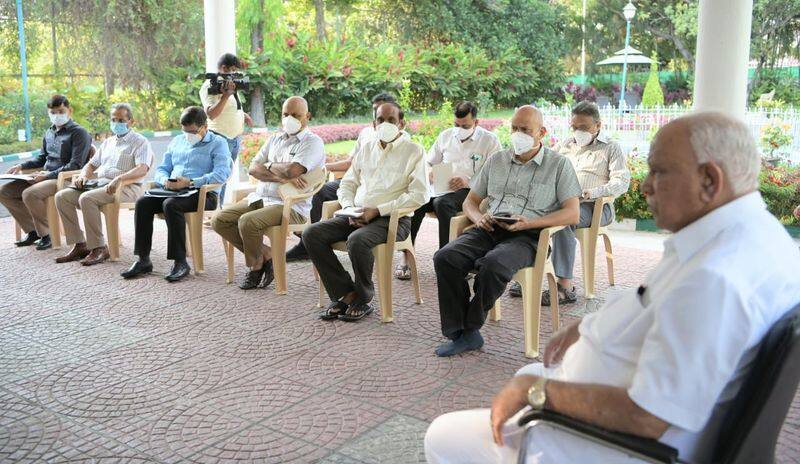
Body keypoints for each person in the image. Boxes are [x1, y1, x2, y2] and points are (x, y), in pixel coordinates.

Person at [424, 112, 800, 464]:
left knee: (443, 435)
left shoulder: (717, 278)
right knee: (451, 258)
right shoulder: (743, 238)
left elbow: (648, 417)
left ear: (709, 181)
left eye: (659, 172)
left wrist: (537, 392)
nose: (645, 186)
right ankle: (465, 331)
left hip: (596, 441)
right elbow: (658, 309)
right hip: (598, 399)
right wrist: (585, 329)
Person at [431, 106, 581, 357]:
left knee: (493, 264)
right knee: (445, 257)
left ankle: (469, 328)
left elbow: (572, 213)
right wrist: (479, 218)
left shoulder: (558, 165)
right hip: (490, 228)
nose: (517, 134)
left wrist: (530, 223)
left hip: (529, 236)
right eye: (514, 128)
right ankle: (459, 331)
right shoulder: (497, 160)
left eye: (525, 130)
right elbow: (470, 201)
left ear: (541, 132)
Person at [303, 102, 428, 321]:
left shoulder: (414, 151)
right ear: (374, 123)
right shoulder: (367, 147)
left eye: (391, 120)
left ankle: (363, 297)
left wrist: (378, 211)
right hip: (357, 214)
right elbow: (347, 184)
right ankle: (346, 292)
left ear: (402, 123)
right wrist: (350, 209)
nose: (385, 124)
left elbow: (419, 195)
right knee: (311, 234)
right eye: (381, 120)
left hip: (393, 220)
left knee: (358, 240)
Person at [509, 101, 630, 303]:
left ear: (598, 125)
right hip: (564, 202)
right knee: (530, 215)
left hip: (595, 207)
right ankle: (530, 276)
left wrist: (590, 193)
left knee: (563, 220)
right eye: (574, 127)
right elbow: (546, 165)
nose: (577, 132)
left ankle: (565, 287)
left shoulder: (611, 148)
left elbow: (621, 183)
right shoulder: (567, 145)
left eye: (583, 128)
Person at [211, 96, 325, 289]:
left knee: (247, 222)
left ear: (308, 116)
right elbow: (254, 169)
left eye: (296, 115)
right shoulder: (274, 139)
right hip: (261, 197)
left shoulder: (312, 142)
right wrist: (280, 176)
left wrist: (270, 164)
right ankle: (267, 254)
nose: (289, 119)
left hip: (291, 205)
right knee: (219, 220)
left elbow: (293, 171)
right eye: (286, 114)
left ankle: (256, 266)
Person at [121, 106, 231, 282]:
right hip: (173, 190)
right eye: (185, 131)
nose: (188, 135)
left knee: (170, 205)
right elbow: (162, 169)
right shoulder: (177, 141)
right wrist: (165, 179)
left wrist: (191, 182)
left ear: (205, 127)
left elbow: (221, 174)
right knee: (143, 202)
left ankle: (180, 262)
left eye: (193, 131)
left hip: (202, 194)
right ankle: (143, 260)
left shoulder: (218, 143)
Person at [395, 100, 501, 280]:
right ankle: (406, 254)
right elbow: (428, 162)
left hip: (472, 190)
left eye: (465, 125)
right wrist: (429, 172)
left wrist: (468, 181)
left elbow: (496, 173)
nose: (460, 129)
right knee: (418, 200)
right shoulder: (445, 136)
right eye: (456, 125)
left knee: (442, 204)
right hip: (441, 187)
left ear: (476, 122)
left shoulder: (489, 141)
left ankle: (447, 259)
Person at [285, 92, 397, 262]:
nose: (377, 117)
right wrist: (323, 167)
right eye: (375, 112)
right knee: (321, 190)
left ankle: (354, 236)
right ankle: (305, 245)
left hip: (377, 190)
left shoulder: (402, 142)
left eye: (383, 114)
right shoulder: (367, 133)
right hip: (355, 181)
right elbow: (351, 162)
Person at [54, 103, 153, 265]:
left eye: (121, 120)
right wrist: (83, 176)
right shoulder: (108, 142)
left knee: (87, 198)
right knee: (62, 196)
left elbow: (142, 169)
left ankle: (99, 248)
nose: (116, 123)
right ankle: (80, 244)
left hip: (127, 187)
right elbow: (92, 164)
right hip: (101, 185)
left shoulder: (140, 142)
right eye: (113, 119)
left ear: (131, 121)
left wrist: (119, 179)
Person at [0, 94, 92, 250]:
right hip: (44, 177)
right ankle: (33, 231)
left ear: (70, 110)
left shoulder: (79, 133)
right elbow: (41, 159)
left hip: (66, 179)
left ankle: (47, 234)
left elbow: (76, 164)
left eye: (61, 111)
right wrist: (21, 166)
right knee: (4, 191)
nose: (57, 116)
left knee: (29, 194)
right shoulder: (49, 133)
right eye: (53, 112)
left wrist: (47, 176)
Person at [200, 53, 253, 205]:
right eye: (233, 70)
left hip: (234, 138)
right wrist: (225, 96)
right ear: (224, 68)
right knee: (218, 176)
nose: (236, 75)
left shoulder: (228, 84)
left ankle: (218, 209)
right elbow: (211, 114)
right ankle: (213, 211)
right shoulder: (210, 86)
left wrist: (243, 114)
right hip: (220, 137)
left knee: (225, 175)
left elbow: (230, 106)